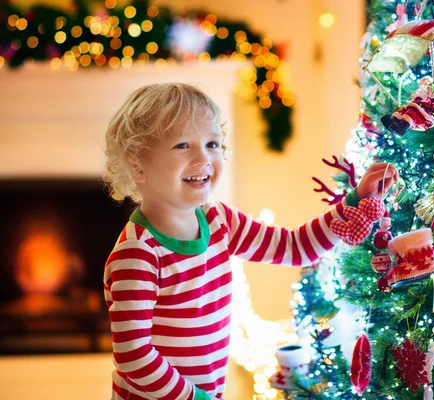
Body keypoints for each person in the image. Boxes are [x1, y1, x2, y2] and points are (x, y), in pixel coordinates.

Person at [102, 82, 399, 400]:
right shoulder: (138, 254)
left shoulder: (219, 221)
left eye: (212, 144)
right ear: (137, 165)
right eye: (182, 146)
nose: (204, 158)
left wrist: (356, 201)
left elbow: (293, 247)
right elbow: (134, 358)